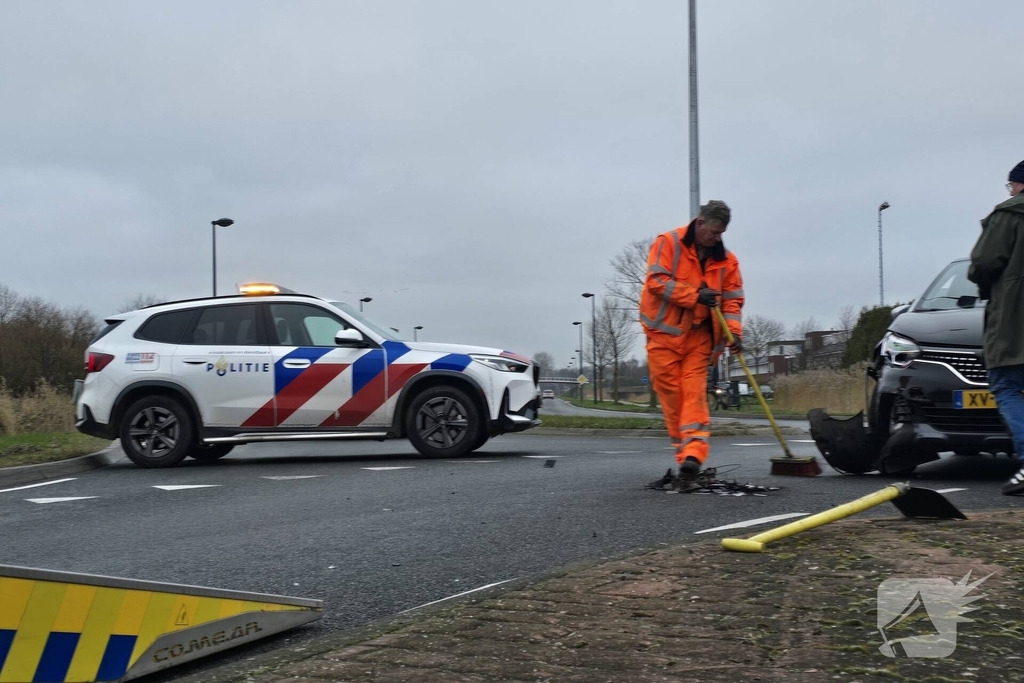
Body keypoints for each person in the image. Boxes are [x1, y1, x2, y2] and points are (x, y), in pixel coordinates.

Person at [640, 200, 744, 487]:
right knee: (672, 397)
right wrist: (694, 295)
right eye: (712, 232)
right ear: (699, 224)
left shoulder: (727, 260)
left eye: (720, 234)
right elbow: (656, 281)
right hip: (664, 337)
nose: (716, 239)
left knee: (694, 393)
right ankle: (683, 458)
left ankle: (694, 456)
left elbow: (733, 301)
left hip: (700, 337)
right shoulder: (667, 243)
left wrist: (734, 332)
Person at [968, 160, 1024, 495]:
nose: (1011, 190)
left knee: (1007, 386)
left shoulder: (1010, 215)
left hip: (1015, 324)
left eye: (1012, 185)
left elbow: (984, 262)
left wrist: (985, 284)